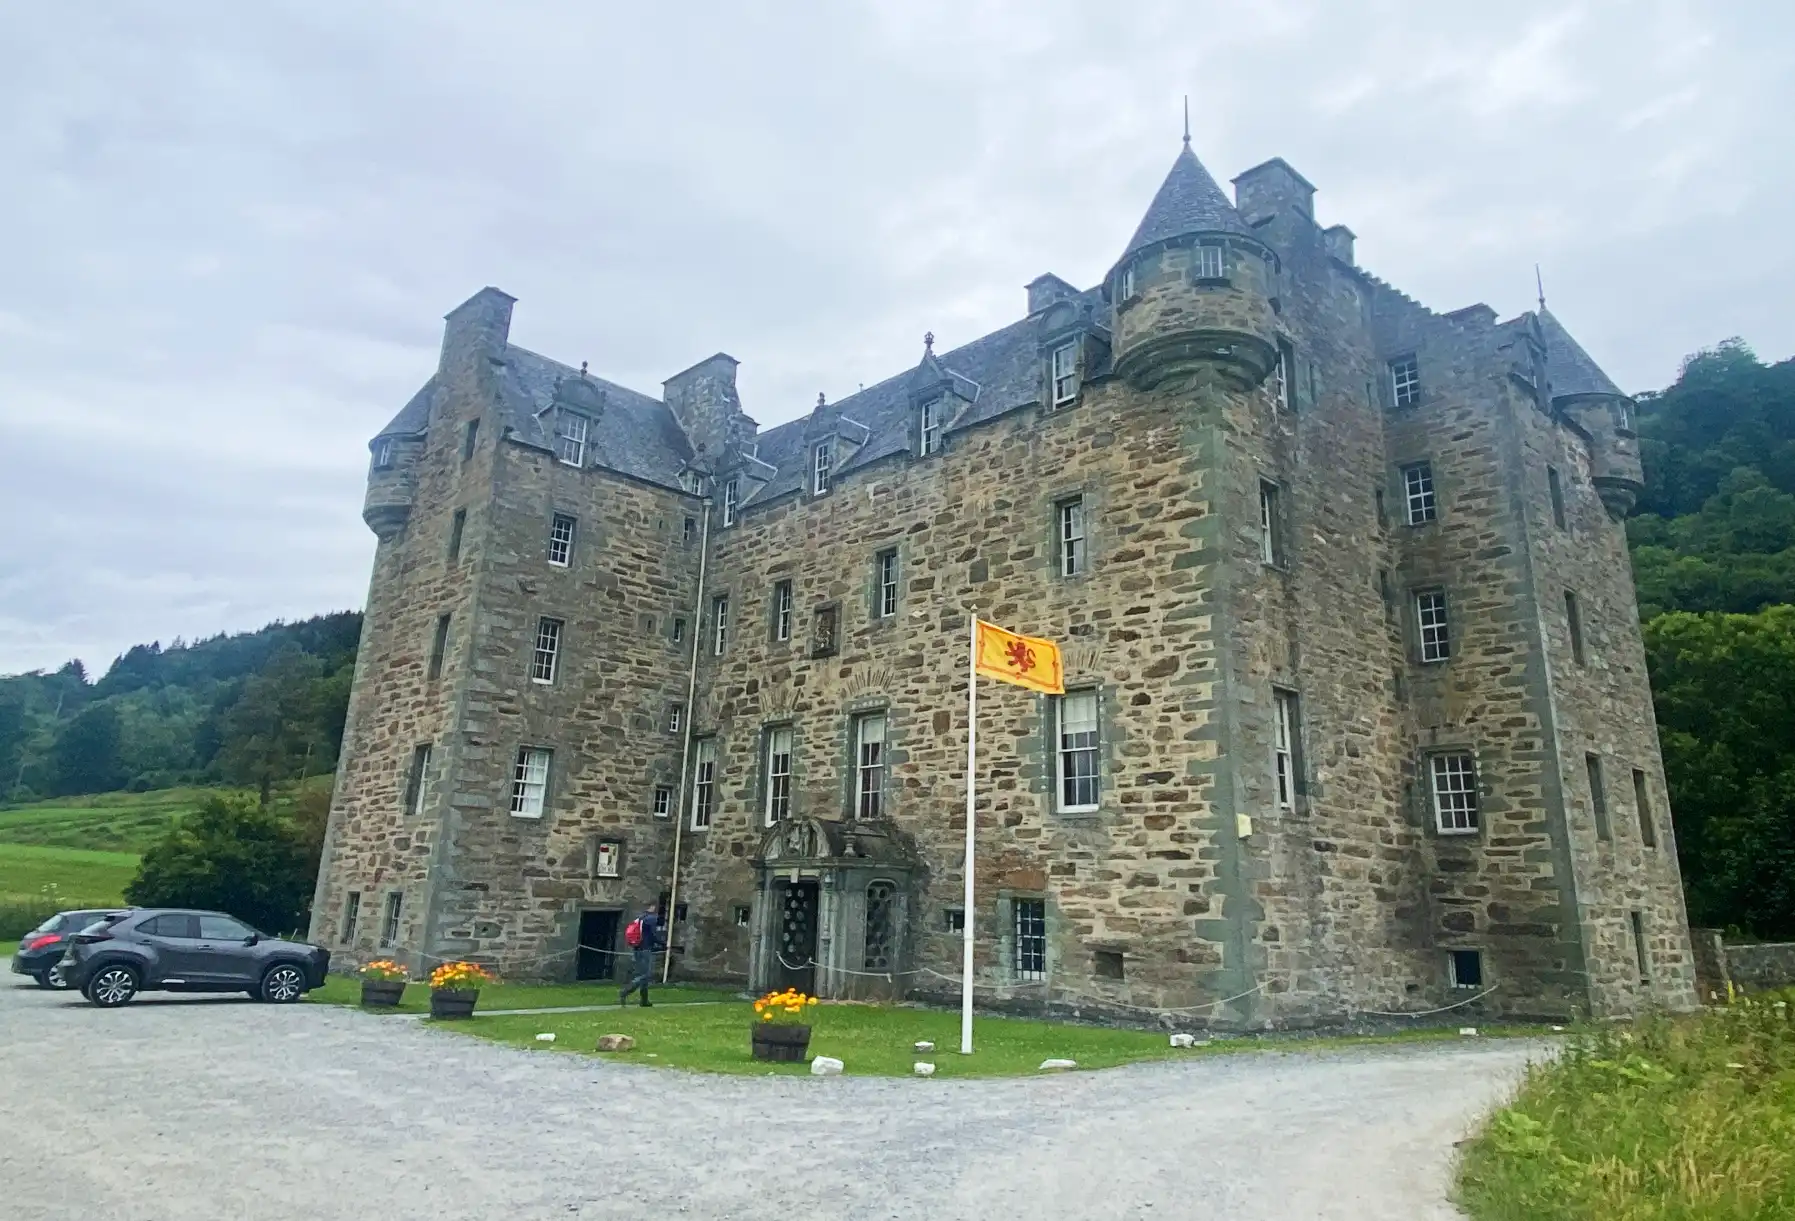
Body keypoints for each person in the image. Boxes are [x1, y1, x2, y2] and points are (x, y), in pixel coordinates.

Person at [619, 903, 662, 1008]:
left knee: (643, 974)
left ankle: (644, 1000)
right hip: (645, 949)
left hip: (637, 949)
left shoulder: (640, 919)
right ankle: (626, 991)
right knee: (646, 975)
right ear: (652, 907)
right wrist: (663, 944)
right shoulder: (651, 919)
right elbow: (652, 935)